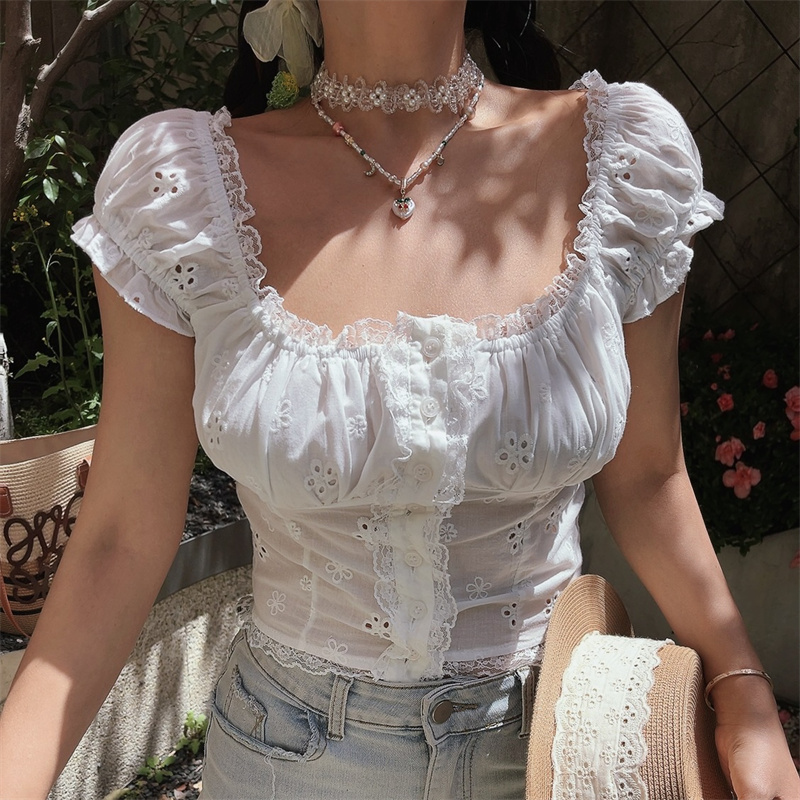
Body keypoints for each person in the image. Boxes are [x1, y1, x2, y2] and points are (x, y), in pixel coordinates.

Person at [1, 1, 797, 798]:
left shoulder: (621, 160)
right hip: (284, 762)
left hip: (553, 754)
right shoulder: (180, 190)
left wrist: (743, 695)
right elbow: (118, 538)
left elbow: (650, 475)